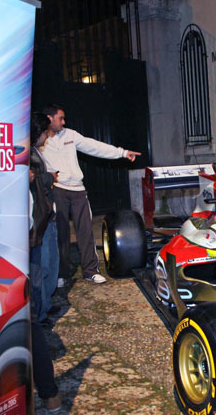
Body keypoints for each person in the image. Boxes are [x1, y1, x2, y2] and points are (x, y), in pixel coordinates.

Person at [40, 103, 141, 285]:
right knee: (60, 233)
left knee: (85, 231)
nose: (63, 121)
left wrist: (122, 153)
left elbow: (93, 146)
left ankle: (90, 271)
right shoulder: (41, 140)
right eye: (60, 118)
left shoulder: (70, 135)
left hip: (78, 189)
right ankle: (61, 274)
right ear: (50, 118)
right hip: (58, 189)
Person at [28, 112, 61, 409]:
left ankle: (40, 316)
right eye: (46, 132)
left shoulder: (33, 154)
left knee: (43, 273)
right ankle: (38, 318)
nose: (49, 136)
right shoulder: (29, 157)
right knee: (37, 277)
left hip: (37, 226)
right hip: (31, 231)